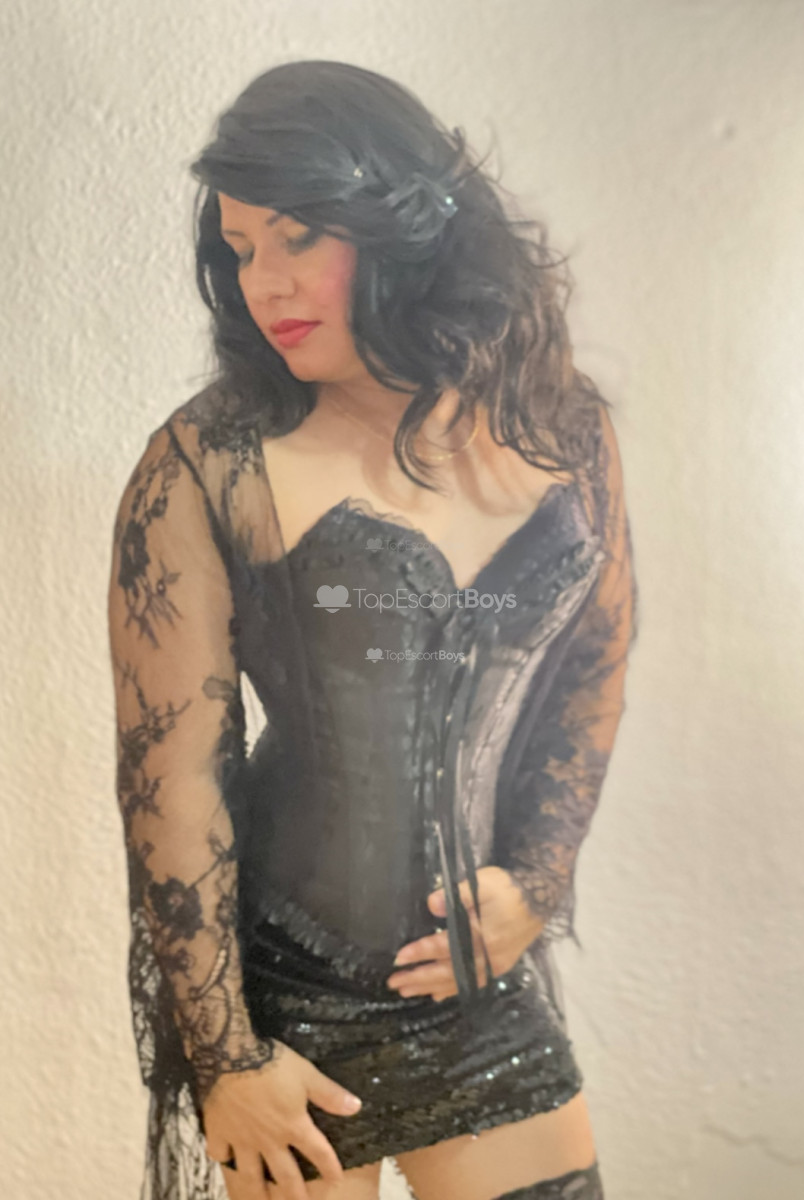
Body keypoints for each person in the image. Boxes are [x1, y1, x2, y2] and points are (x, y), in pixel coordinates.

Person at [107, 60, 638, 1200]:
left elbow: (593, 669)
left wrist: (537, 885)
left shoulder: (561, 423)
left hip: (479, 995)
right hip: (286, 1008)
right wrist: (227, 1059)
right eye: (240, 249)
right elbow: (173, 781)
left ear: (404, 222)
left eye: (297, 237)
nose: (265, 284)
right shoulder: (210, 461)